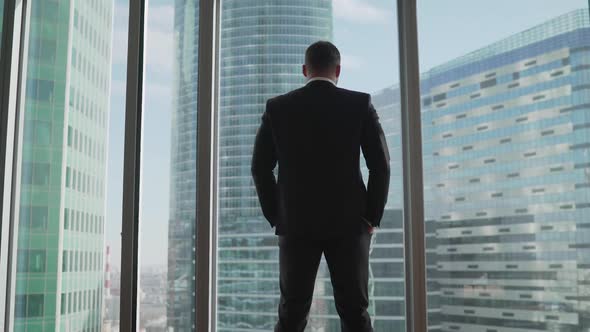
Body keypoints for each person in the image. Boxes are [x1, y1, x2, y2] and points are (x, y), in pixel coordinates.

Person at [251, 40, 390, 332]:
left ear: (305, 70)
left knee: (292, 314)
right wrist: (370, 217)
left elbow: (260, 168)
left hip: (296, 224)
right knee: (354, 312)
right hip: (351, 223)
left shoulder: (278, 108)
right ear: (338, 70)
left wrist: (278, 215)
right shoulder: (359, 104)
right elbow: (381, 165)